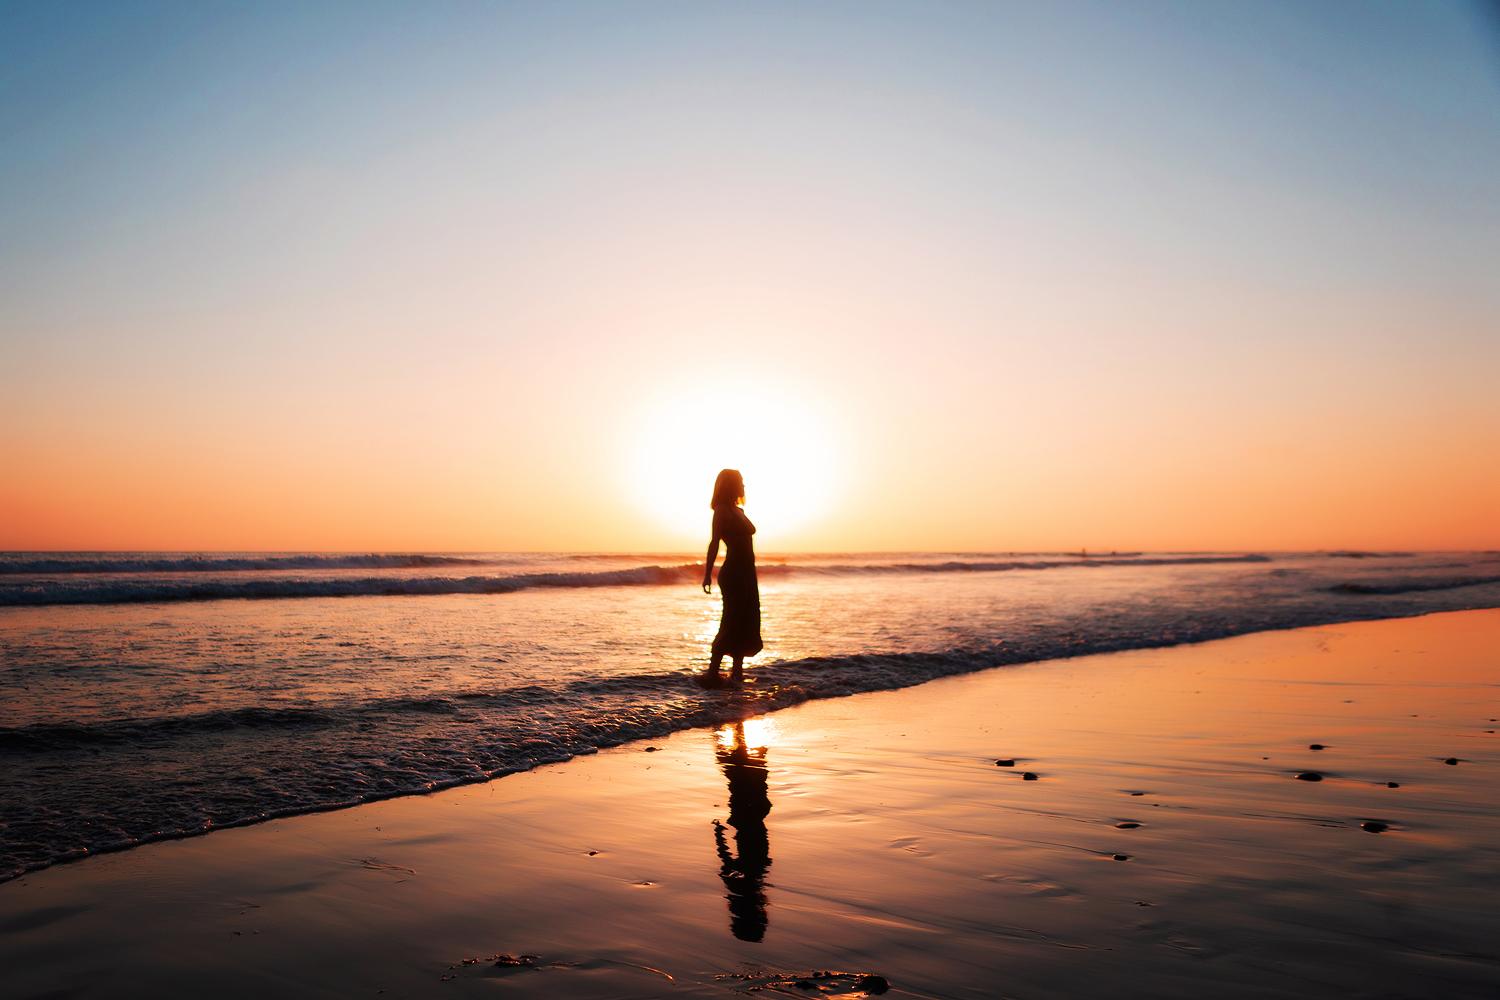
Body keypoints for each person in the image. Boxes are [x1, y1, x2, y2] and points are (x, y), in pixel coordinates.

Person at [700, 468, 762, 688]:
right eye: (741, 482)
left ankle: (737, 675)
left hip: (747, 573)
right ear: (730, 485)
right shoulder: (721, 510)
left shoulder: (740, 511)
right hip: (733, 573)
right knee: (731, 620)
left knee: (745, 620)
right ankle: (711, 675)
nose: (744, 486)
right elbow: (714, 542)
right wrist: (707, 574)